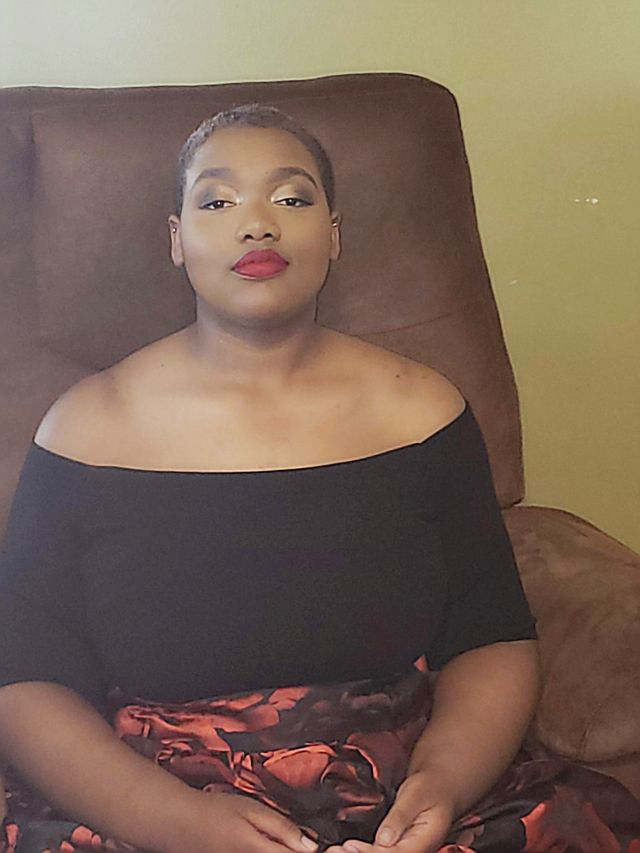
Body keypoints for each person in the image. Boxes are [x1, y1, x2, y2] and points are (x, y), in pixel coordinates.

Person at [0, 105, 636, 853]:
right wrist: (174, 822)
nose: (258, 224)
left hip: (397, 796)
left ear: (332, 234)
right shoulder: (83, 431)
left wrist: (442, 783)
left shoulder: (422, 412)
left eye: (292, 197)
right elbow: (24, 674)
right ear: (176, 238)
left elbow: (491, 635)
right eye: (217, 201)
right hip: (146, 803)